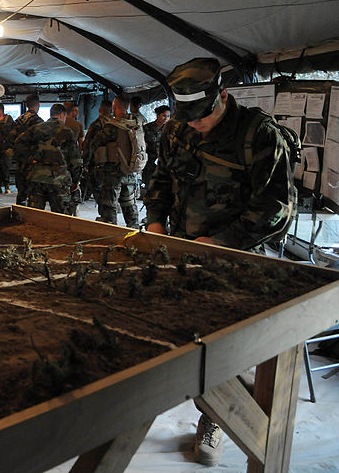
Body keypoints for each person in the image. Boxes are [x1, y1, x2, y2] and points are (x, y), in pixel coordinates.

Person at [145, 57, 296, 466]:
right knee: (178, 331)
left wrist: (222, 242)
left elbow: (276, 208)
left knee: (228, 347)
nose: (195, 124)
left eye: (202, 115)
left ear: (223, 95)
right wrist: (156, 220)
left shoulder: (258, 135)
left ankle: (219, 418)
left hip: (236, 258)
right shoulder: (176, 130)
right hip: (181, 252)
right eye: (187, 117)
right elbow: (160, 178)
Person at [13, 103, 82, 214]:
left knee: (35, 217)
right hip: (59, 179)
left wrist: (30, 160)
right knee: (61, 218)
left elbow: (18, 144)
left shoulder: (36, 128)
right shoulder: (67, 131)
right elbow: (75, 159)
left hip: (36, 178)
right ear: (61, 115)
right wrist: (75, 180)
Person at [88, 95, 144, 228]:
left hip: (114, 173)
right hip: (131, 171)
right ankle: (134, 229)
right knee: (129, 202)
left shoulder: (112, 126)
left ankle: (111, 231)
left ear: (114, 107)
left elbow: (94, 143)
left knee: (109, 204)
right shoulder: (135, 124)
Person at [9, 94, 43, 205]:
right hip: (33, 161)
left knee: (21, 191)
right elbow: (41, 142)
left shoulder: (19, 120)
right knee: (34, 193)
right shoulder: (38, 121)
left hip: (20, 160)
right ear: (38, 105)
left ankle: (19, 212)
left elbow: (12, 138)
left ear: (27, 105)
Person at [81, 99, 113, 201]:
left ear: (100, 110)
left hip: (98, 163)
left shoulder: (96, 124)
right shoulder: (116, 124)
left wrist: (85, 163)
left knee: (98, 190)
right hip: (114, 164)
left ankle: (105, 213)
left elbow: (89, 144)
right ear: (112, 110)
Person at [141, 104, 171, 198]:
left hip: (164, 162)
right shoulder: (147, 128)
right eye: (164, 115)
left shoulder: (170, 130)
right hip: (150, 162)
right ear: (158, 115)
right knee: (149, 185)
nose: (166, 118)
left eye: (168, 116)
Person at [0, 103, 15, 193]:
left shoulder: (8, 119)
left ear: (1, 110)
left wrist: (0, 125)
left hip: (6, 147)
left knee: (5, 167)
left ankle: (6, 185)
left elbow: (10, 131)